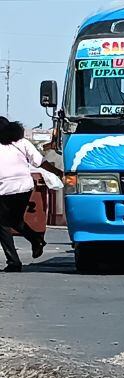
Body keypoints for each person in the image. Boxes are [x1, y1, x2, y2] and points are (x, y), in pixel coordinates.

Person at [0, 117, 63, 272]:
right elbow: (40, 162)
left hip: (4, 188)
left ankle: (14, 261)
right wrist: (58, 172)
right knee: (15, 221)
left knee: (2, 224)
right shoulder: (22, 142)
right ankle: (36, 240)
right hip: (25, 187)